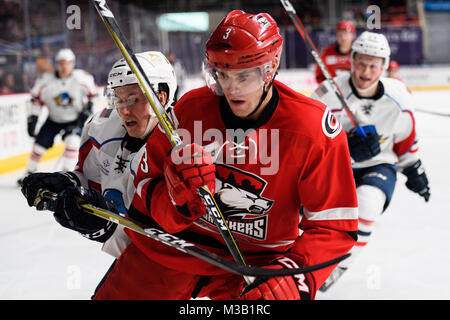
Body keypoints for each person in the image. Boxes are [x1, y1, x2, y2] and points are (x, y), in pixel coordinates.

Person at [91, 10, 358, 300]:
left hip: (255, 269)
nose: (231, 88)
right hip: (173, 250)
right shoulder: (190, 109)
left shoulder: (310, 129)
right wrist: (176, 202)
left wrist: (296, 277)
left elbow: (333, 225)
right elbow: (144, 183)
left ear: (271, 66)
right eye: (221, 75)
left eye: (244, 76)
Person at [20, 51, 177, 260]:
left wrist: (106, 229)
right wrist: (67, 182)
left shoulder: (183, 148)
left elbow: (168, 245)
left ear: (161, 98)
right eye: (118, 100)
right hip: (132, 261)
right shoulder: (103, 128)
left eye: (132, 99)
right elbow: (92, 180)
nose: (123, 111)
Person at [310, 31, 430, 291]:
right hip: (333, 167)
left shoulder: (399, 99)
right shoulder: (326, 94)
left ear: (384, 67)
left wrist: (413, 169)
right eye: (361, 63)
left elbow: (405, 141)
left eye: (374, 65)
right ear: (351, 61)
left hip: (378, 165)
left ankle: (338, 266)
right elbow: (306, 140)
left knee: (367, 206)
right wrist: (343, 145)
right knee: (307, 216)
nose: (366, 71)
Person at [18, 48, 97, 185]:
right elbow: (36, 100)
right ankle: (29, 172)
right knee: (39, 146)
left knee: (72, 142)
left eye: (67, 63)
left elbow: (93, 96)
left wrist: (87, 110)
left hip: (74, 119)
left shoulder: (82, 78)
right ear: (56, 64)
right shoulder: (45, 81)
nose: (64, 66)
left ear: (72, 63)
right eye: (61, 63)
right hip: (53, 119)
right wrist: (33, 119)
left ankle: (66, 175)